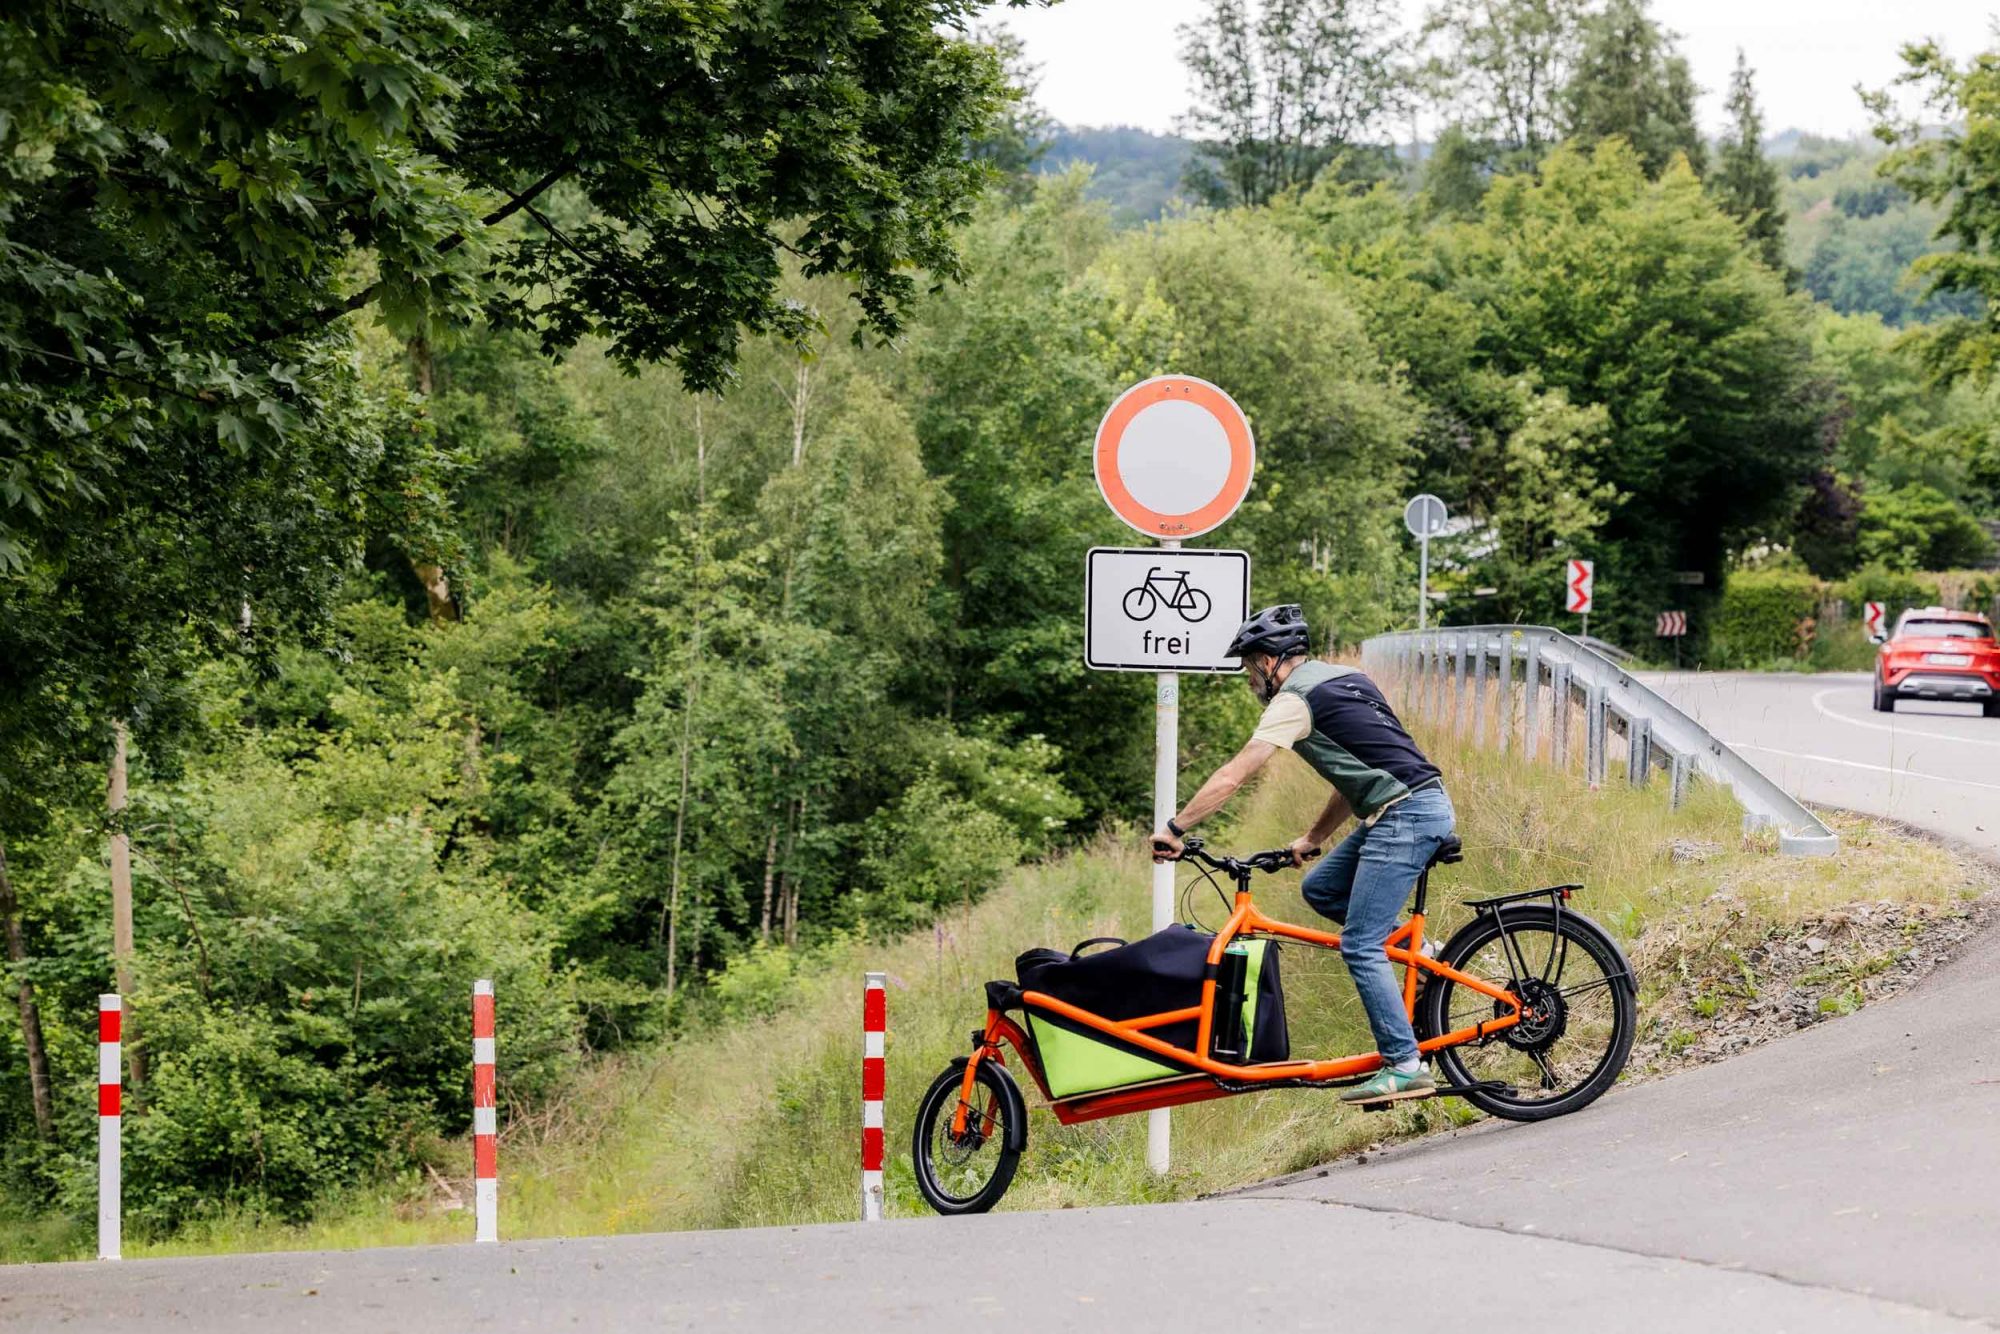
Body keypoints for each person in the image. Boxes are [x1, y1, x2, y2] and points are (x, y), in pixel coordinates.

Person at [1149, 604, 1456, 1104]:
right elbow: (1355, 776)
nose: (1250, 678)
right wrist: (1313, 838)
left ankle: (1405, 1064)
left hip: (1405, 816)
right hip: (1411, 805)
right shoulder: (1349, 679)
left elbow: (1235, 773)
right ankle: (1422, 954)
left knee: (1361, 944)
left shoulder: (1294, 700)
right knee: (1321, 887)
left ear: (1271, 661)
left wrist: (1175, 827)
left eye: (1251, 666)